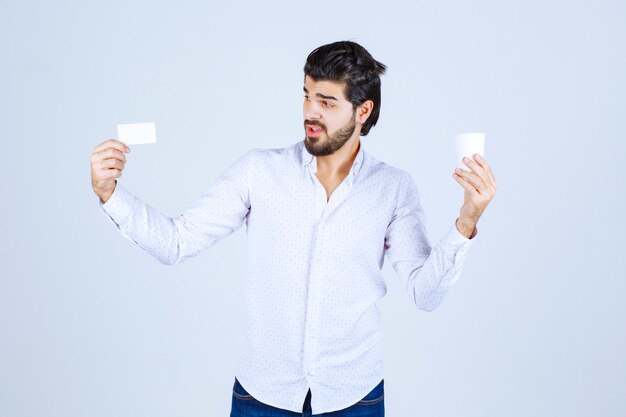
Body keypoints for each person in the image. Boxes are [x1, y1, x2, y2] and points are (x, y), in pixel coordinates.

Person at [90, 40, 497, 417]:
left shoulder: (393, 188)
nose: (310, 112)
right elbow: (176, 243)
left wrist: (466, 223)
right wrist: (110, 193)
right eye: (306, 95)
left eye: (326, 101)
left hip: (354, 397)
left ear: (363, 111)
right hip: (261, 396)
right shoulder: (259, 171)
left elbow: (424, 294)